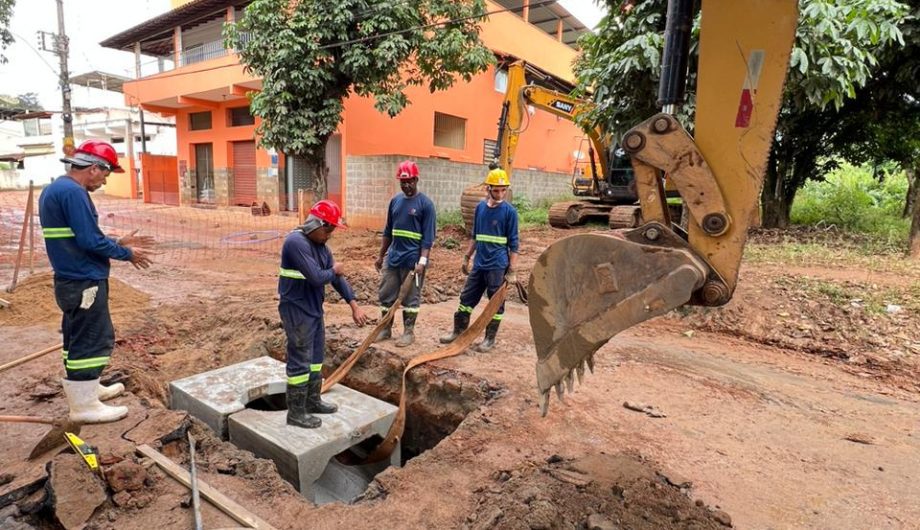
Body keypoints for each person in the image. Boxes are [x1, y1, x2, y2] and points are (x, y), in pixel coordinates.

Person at [39, 139, 154, 424]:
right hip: (83, 280)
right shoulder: (74, 193)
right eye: (106, 173)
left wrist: (115, 242)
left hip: (71, 278)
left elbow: (78, 237)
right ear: (93, 168)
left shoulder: (57, 189)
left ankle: (89, 390)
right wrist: (126, 253)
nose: (105, 180)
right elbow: (89, 240)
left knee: (76, 337)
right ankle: (84, 406)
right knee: (93, 339)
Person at [279, 199, 367, 429]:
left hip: (313, 310)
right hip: (296, 310)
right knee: (300, 361)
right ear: (317, 224)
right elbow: (318, 277)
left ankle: (312, 400)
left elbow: (335, 278)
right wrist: (334, 270)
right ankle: (296, 413)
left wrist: (353, 304)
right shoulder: (295, 243)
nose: (330, 235)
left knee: (316, 358)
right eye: (328, 229)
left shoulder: (321, 247)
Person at [440, 168, 519, 352]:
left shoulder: (510, 212)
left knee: (495, 303)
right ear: (487, 189)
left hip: (497, 266)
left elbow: (514, 244)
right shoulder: (480, 209)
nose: (500, 194)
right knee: (466, 298)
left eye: (503, 190)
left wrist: (512, 270)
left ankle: (489, 339)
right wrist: (466, 257)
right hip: (480, 263)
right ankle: (458, 332)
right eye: (496, 190)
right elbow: (475, 236)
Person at [374, 160, 436, 347]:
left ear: (416, 180)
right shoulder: (395, 202)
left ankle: (409, 332)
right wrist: (381, 255)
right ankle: (385, 328)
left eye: (409, 181)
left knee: (411, 297)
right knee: (386, 295)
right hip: (393, 259)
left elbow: (428, 238)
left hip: (413, 261)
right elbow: (388, 232)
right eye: (403, 182)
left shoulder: (426, 205)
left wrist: (422, 261)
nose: (406, 185)